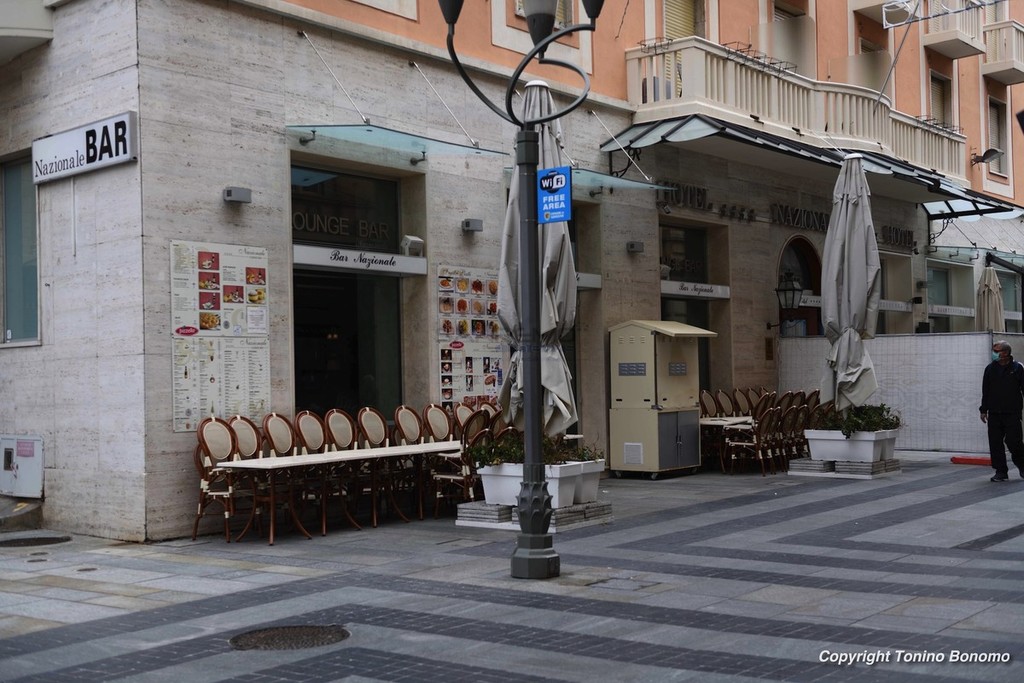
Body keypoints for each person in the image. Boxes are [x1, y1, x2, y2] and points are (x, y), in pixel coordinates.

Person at [980, 340, 1024, 481]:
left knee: (1014, 442)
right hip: (994, 412)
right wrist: (983, 409)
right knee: (995, 443)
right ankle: (1000, 471)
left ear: (1005, 353)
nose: (993, 353)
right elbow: (985, 390)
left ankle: (1022, 465)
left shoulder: (1017, 368)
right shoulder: (990, 369)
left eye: (996, 351)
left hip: (1012, 412)